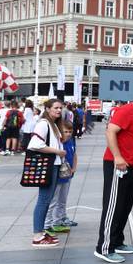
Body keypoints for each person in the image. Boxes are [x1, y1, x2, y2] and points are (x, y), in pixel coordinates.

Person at [95, 83, 133, 263]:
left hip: (132, 164)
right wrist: (117, 157)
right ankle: (104, 248)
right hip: (118, 164)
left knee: (125, 205)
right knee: (113, 206)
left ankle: (117, 241)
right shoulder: (126, 110)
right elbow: (110, 132)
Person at [30, 100, 68, 247]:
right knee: (44, 200)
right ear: (47, 109)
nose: (59, 110)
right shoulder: (44, 124)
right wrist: (57, 151)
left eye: (60, 108)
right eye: (56, 108)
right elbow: (35, 144)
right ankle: (37, 235)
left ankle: (40, 232)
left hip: (54, 165)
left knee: (47, 199)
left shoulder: (53, 124)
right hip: (49, 165)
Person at [44, 120, 78, 234]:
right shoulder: (57, 142)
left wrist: (73, 168)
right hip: (57, 175)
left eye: (70, 131)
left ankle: (58, 222)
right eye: (65, 131)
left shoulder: (72, 140)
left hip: (67, 174)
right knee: (53, 200)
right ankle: (47, 225)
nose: (68, 134)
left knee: (62, 200)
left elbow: (74, 155)